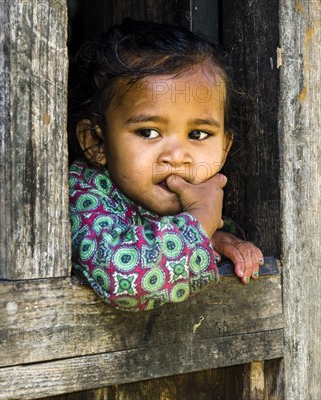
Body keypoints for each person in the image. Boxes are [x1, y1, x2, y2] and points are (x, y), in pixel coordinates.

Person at [68, 19, 263, 312]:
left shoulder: (197, 199)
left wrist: (215, 238)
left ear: (224, 148)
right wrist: (199, 223)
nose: (176, 156)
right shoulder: (85, 193)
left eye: (198, 134)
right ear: (96, 143)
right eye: (148, 132)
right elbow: (125, 277)